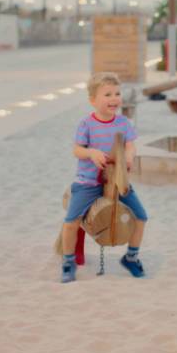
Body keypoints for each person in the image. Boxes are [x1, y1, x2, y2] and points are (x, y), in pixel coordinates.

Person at [60, 72, 147, 283]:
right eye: (107, 94)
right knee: (71, 221)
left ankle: (131, 257)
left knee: (141, 217)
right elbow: (77, 150)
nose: (114, 98)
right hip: (88, 182)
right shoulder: (86, 124)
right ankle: (68, 261)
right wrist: (92, 153)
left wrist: (128, 157)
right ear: (93, 100)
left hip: (117, 183)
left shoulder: (124, 123)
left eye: (117, 93)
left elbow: (130, 145)